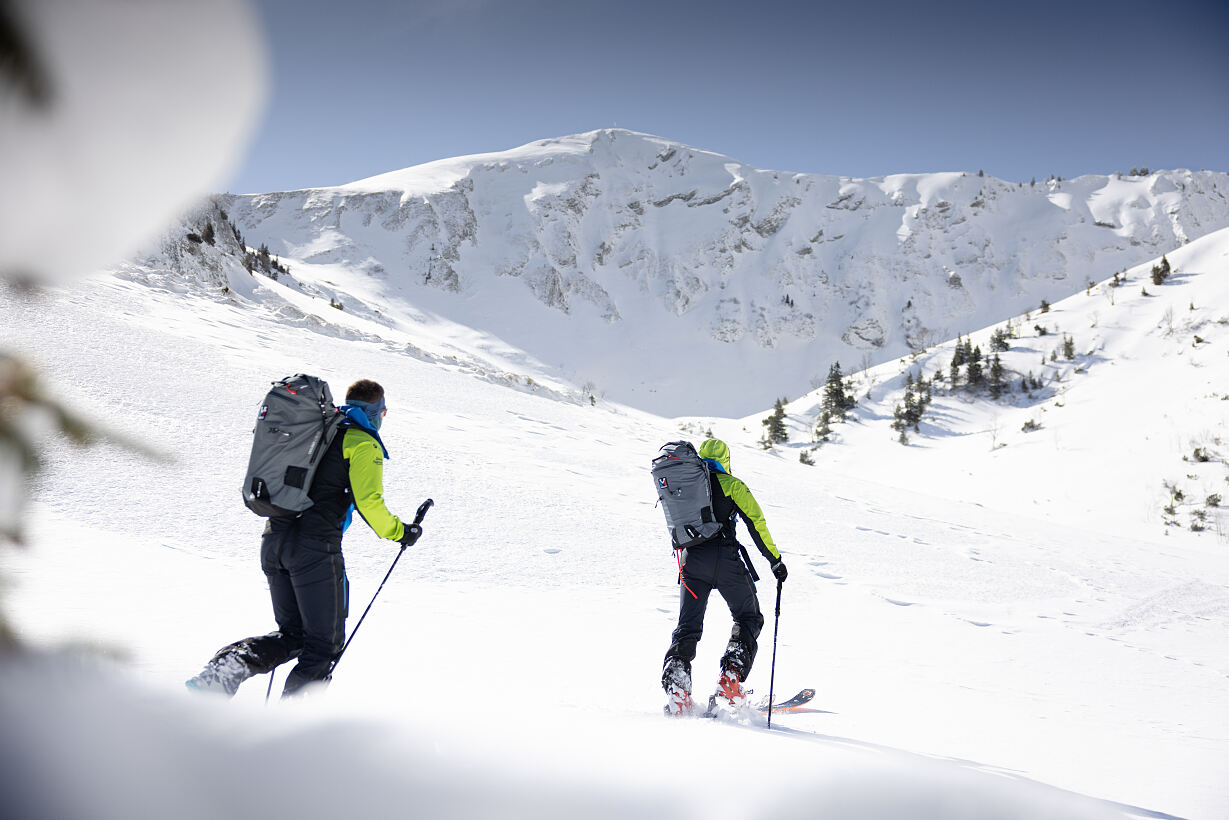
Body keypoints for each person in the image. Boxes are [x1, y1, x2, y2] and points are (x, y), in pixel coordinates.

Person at [186, 379, 421, 698]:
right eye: (383, 412)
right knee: (323, 648)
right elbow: (369, 503)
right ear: (375, 411)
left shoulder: (317, 432)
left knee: (294, 635)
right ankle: (292, 729)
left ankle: (224, 670)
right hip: (315, 549)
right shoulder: (362, 442)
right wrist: (402, 532)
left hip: (274, 540)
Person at [661, 438, 787, 715]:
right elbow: (757, 523)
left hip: (692, 565)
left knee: (687, 626)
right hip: (726, 561)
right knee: (749, 618)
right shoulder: (733, 485)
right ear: (726, 460)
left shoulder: (689, 486)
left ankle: (678, 690)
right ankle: (730, 678)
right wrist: (774, 561)